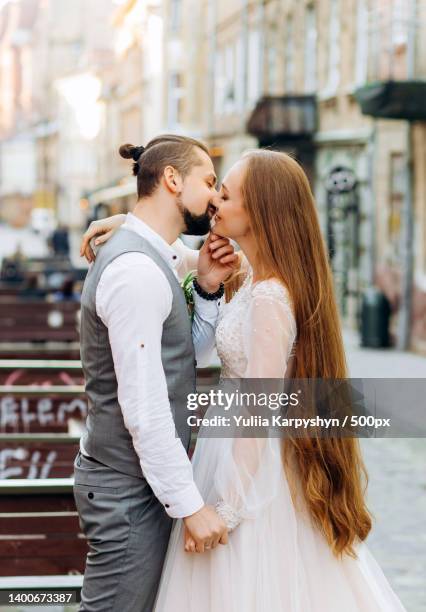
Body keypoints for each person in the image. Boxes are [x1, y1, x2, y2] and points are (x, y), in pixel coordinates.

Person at [81, 149, 406, 611]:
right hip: (223, 451)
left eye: (226, 194)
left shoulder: (272, 295)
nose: (214, 201)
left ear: (259, 212)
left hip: (249, 467)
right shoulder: (253, 275)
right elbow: (183, 259)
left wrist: (228, 510)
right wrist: (130, 228)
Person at [74, 134, 239, 612]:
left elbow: (181, 359)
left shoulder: (154, 256)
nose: (213, 195)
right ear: (172, 179)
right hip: (126, 486)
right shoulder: (136, 271)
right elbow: (144, 407)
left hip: (138, 481)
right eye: (209, 181)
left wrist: (207, 286)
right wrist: (190, 505)